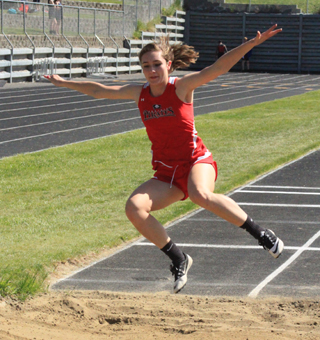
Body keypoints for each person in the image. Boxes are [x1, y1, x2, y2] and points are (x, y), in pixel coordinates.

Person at [44, 24, 284, 294]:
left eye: (157, 64)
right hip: (166, 173)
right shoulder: (140, 93)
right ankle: (179, 258)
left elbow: (217, 68)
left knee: (200, 194)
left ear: (168, 64)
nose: (152, 71)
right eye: (146, 66)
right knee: (134, 208)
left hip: (196, 161)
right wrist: (65, 82)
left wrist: (251, 43)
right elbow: (100, 90)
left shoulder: (182, 87)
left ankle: (261, 233)